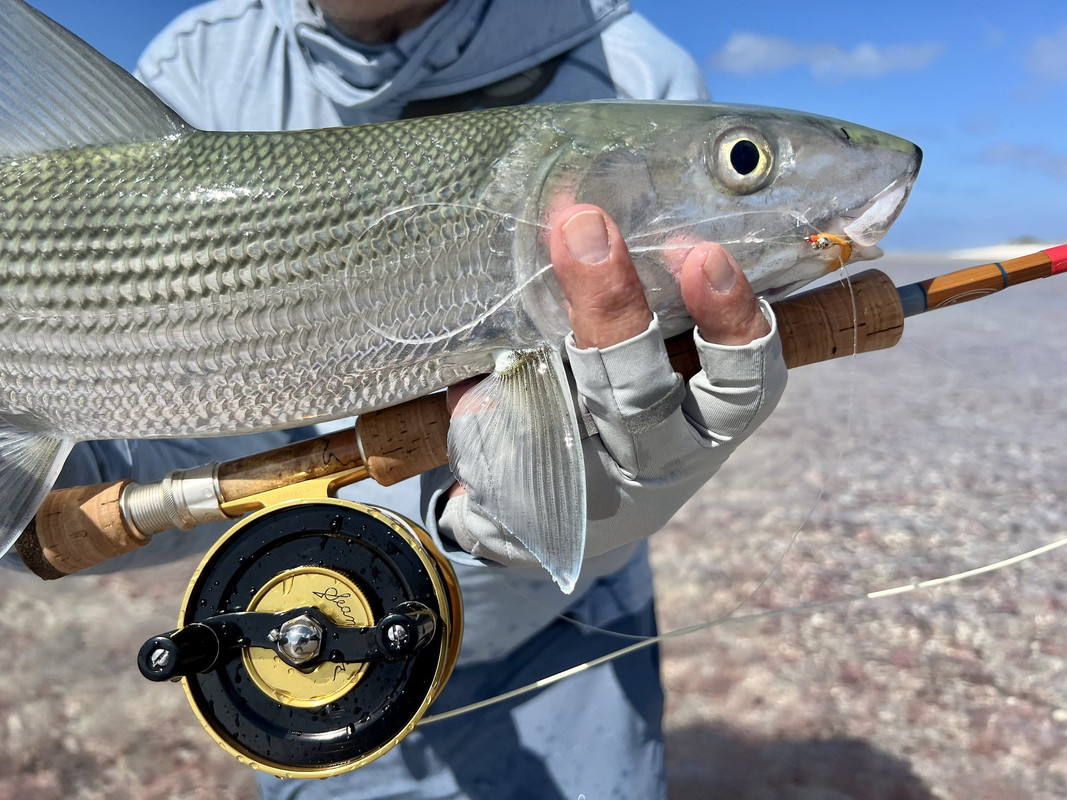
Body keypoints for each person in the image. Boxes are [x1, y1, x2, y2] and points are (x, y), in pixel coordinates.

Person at [116, 1, 787, 797]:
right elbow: (190, 448)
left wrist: (598, 507)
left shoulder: (636, 71)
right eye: (742, 158)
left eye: (744, 158)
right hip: (314, 642)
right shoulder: (200, 70)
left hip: (564, 640)